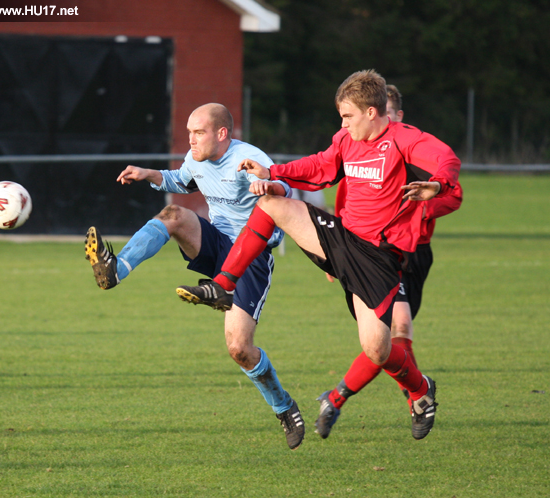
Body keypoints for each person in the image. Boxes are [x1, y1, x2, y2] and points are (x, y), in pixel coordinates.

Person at [176, 70, 461, 441]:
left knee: (377, 349)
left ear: (372, 112)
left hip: (379, 259)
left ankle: (421, 391)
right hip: (341, 239)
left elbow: (447, 159)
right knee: (272, 203)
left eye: (348, 116)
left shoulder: (404, 139)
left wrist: (437, 185)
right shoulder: (346, 139)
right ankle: (223, 285)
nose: (342, 124)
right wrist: (274, 171)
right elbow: (319, 166)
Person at [84, 103, 305, 450]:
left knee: (239, 349)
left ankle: (283, 406)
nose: (191, 139)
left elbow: (284, 188)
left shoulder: (247, 159)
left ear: (221, 134)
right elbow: (181, 181)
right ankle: (115, 269)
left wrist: (269, 187)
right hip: (217, 245)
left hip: (251, 257)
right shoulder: (197, 158)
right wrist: (149, 174)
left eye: (198, 132)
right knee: (174, 214)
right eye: (189, 132)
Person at [316, 84, 463, 439]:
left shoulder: (413, 152)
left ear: (399, 118)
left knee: (392, 338)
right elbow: (344, 201)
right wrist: (335, 259)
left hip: (414, 253)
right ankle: (412, 396)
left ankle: (337, 398)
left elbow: (453, 196)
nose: (392, 122)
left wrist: (421, 205)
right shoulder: (366, 153)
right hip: (372, 253)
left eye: (396, 115)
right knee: (394, 332)